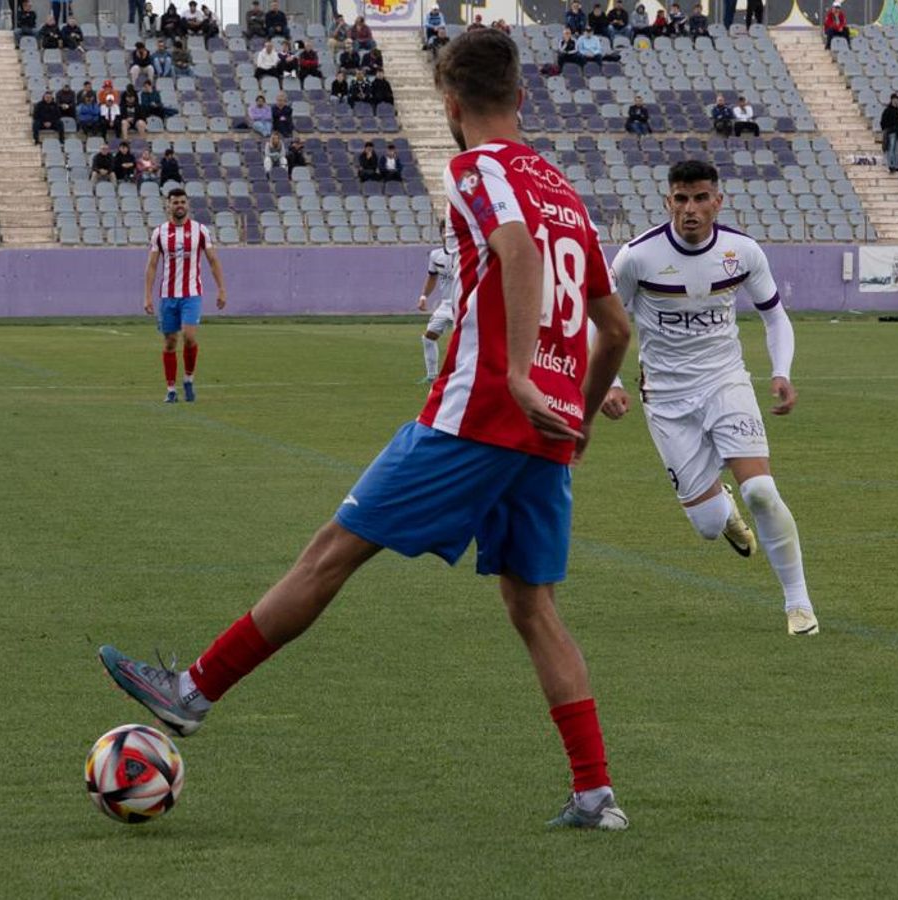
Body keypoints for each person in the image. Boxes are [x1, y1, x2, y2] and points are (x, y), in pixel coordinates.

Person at [100, 28, 635, 832]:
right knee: (534, 606)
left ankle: (193, 692)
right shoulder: (565, 190)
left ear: (450, 106)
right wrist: (580, 420)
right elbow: (615, 328)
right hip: (546, 430)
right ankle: (595, 794)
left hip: (477, 415)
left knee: (333, 550)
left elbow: (518, 255)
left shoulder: (475, 168)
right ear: (522, 97)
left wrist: (520, 375)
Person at [604, 158, 818, 637]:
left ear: (718, 202)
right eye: (681, 199)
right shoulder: (637, 257)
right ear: (668, 202)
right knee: (706, 525)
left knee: (761, 491)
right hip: (665, 399)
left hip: (726, 383)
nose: (691, 209)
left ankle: (799, 605)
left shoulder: (742, 252)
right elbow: (602, 323)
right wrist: (611, 382)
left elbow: (775, 316)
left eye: (701, 198)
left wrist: (781, 372)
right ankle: (721, 509)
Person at [142, 188, 227, 403]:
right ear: (168, 206)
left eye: (182, 202)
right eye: (175, 202)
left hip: (192, 294)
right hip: (168, 296)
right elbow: (152, 265)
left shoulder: (200, 230)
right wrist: (148, 296)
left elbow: (213, 260)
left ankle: (188, 379)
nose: (179, 206)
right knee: (170, 342)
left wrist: (221, 289)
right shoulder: (160, 232)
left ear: (187, 205)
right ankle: (171, 389)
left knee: (189, 337)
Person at [415, 240, 457, 383]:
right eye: (444, 232)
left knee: (464, 341)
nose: (447, 235)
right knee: (428, 337)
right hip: (445, 305)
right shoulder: (435, 255)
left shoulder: (466, 253)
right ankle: (432, 376)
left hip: (463, 304)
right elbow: (432, 277)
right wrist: (423, 297)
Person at [880, 94, 898, 171]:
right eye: (897, 99)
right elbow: (882, 122)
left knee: (896, 150)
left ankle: (896, 165)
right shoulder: (887, 110)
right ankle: (890, 165)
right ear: (893, 99)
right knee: (891, 149)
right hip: (891, 132)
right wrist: (887, 130)